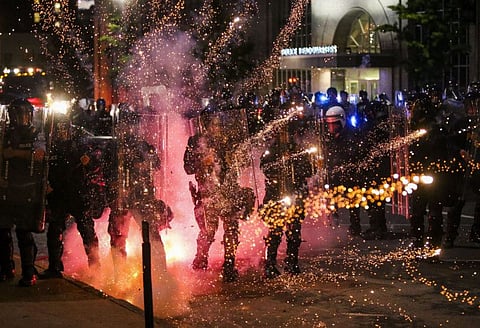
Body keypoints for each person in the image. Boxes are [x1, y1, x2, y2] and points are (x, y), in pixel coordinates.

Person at [184, 106, 254, 282]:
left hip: (229, 191)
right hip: (208, 194)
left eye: (218, 124)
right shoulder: (196, 142)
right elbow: (188, 168)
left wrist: (237, 159)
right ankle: (201, 261)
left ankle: (229, 265)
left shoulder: (228, 142)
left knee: (231, 229)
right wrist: (202, 161)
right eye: (212, 124)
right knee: (207, 231)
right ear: (205, 125)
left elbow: (242, 164)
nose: (216, 128)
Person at [37, 111, 107, 278]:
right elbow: (41, 170)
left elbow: (96, 165)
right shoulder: (48, 147)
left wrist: (89, 161)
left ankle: (96, 268)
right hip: (59, 195)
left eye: (63, 130)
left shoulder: (79, 145)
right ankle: (55, 267)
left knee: (87, 232)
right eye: (58, 130)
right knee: (55, 232)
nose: (61, 133)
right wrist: (45, 185)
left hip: (77, 194)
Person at [259, 117, 313, 279]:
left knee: (294, 231)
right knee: (275, 232)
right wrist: (280, 165)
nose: (286, 136)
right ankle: (270, 264)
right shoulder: (271, 151)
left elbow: (308, 171)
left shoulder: (299, 150)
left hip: (295, 195)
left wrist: (296, 164)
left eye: (288, 133)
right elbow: (265, 169)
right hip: (276, 196)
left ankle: (292, 261)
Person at [0, 98, 46, 286]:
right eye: (18, 114)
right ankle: (5, 267)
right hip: (7, 188)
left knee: (24, 232)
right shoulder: (5, 134)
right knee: (2, 231)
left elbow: (40, 156)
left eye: (25, 114)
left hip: (28, 188)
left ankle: (28, 271)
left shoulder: (36, 134)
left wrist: (16, 153)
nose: (21, 118)